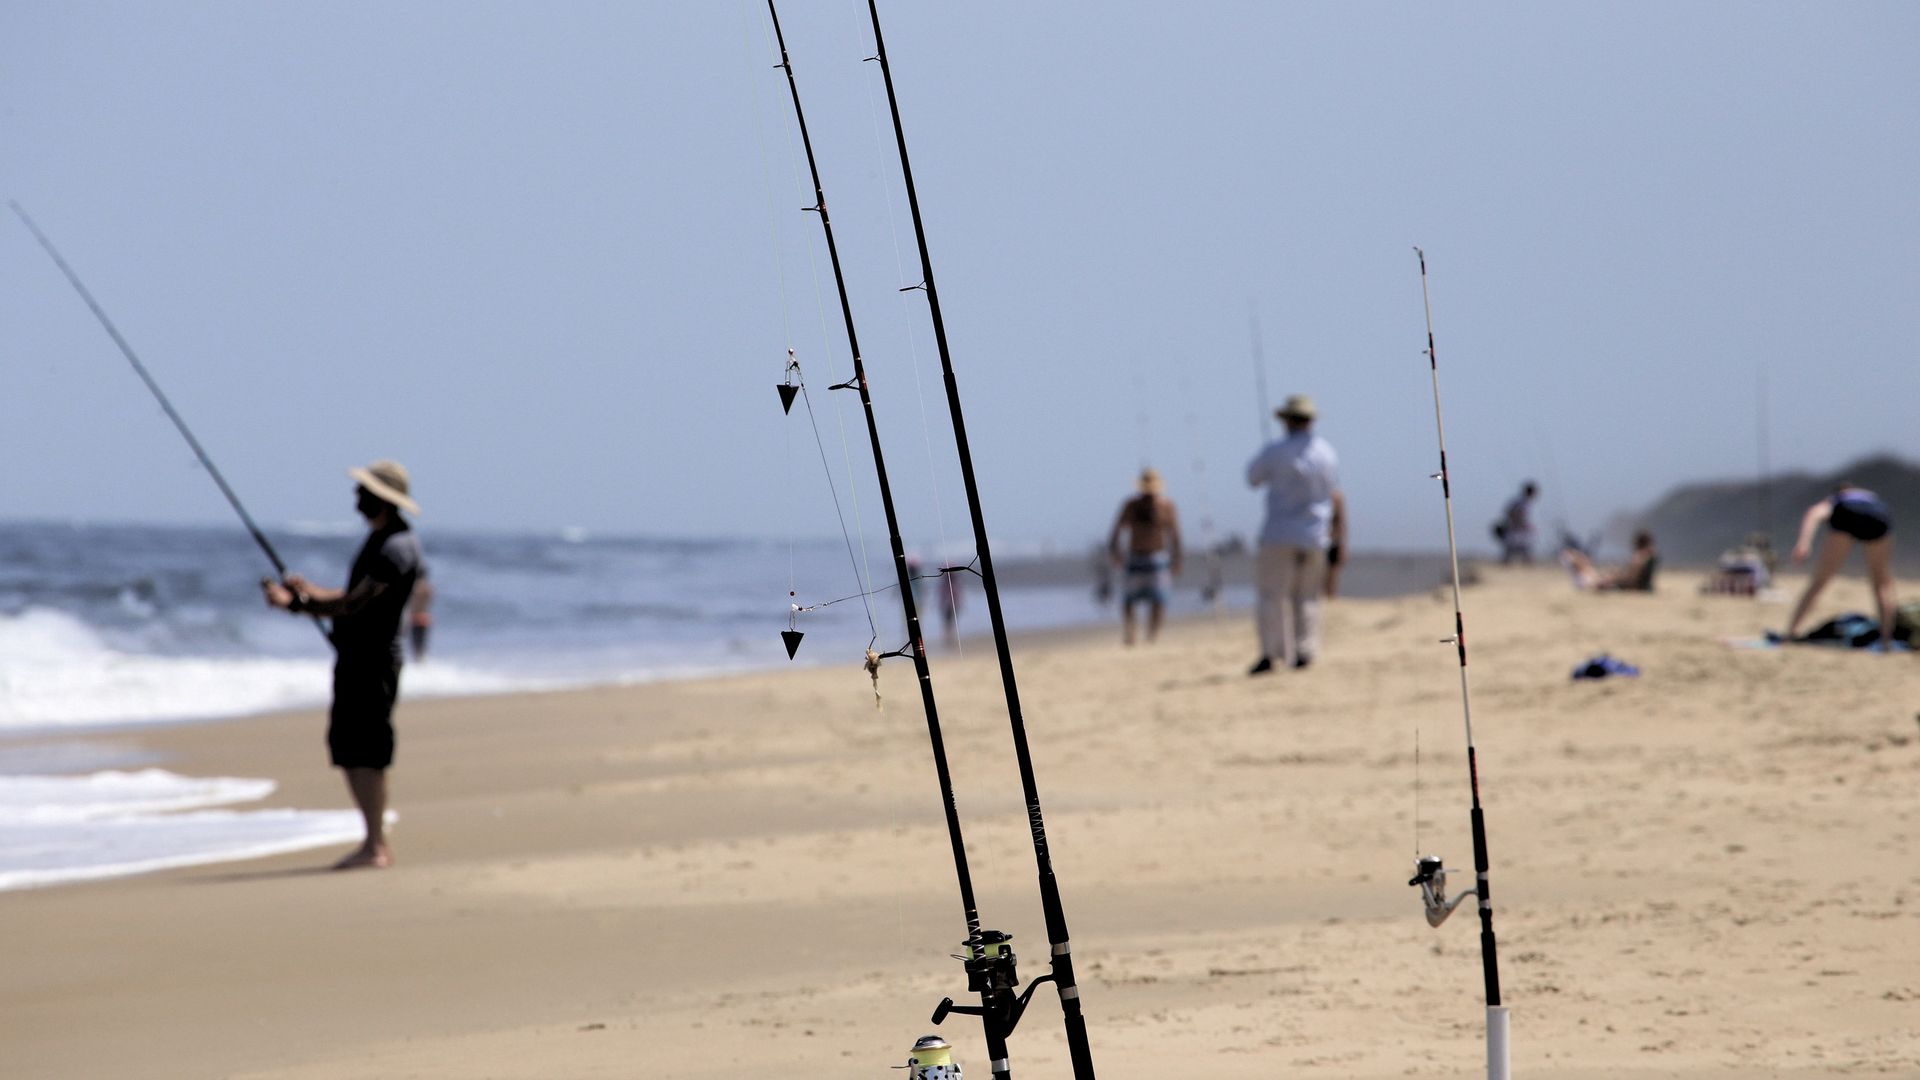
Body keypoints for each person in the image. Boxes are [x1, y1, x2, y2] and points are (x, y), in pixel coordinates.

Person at [262, 460, 425, 870]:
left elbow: (357, 603)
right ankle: (373, 842)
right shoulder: (383, 541)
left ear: (381, 499)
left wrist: (297, 604)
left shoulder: (395, 548)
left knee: (368, 752)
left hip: (373, 661)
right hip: (357, 657)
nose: (356, 498)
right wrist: (310, 592)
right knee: (350, 750)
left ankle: (375, 846)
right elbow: (355, 596)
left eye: (363, 492)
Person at [1246, 393, 1341, 673]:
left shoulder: (1276, 451)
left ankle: (1273, 653)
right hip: (1314, 535)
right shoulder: (1327, 453)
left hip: (1279, 533)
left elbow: (1252, 478)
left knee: (1271, 596)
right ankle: (1305, 651)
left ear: (1287, 420)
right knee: (1307, 596)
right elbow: (1333, 493)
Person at [1783, 484, 1896, 642]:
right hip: (1879, 516)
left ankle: (1791, 632)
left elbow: (1813, 513)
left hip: (1847, 513)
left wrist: (1803, 543)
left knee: (1820, 581)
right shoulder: (1870, 496)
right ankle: (1886, 641)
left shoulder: (1839, 498)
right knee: (1881, 583)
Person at [1107, 467, 1183, 645]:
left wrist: (1177, 559)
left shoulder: (1166, 506)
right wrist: (1115, 552)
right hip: (1135, 557)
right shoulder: (1131, 506)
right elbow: (1116, 530)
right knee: (1129, 599)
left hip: (1157, 558)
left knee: (1159, 599)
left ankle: (1153, 634)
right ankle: (1130, 632)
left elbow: (1175, 535)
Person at [1564, 530, 1659, 591]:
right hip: (1645, 587)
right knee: (1607, 577)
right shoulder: (1652, 556)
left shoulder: (1638, 557)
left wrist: (1615, 577)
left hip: (1634, 587)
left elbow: (1631, 578)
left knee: (1603, 581)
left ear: (1638, 543)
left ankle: (1592, 583)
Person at [1495, 482, 1539, 564]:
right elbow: (1513, 514)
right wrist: (1520, 524)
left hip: (1519, 531)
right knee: (1513, 550)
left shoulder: (1522, 502)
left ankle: (1526, 567)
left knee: (1524, 550)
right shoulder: (1522, 503)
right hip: (1516, 531)